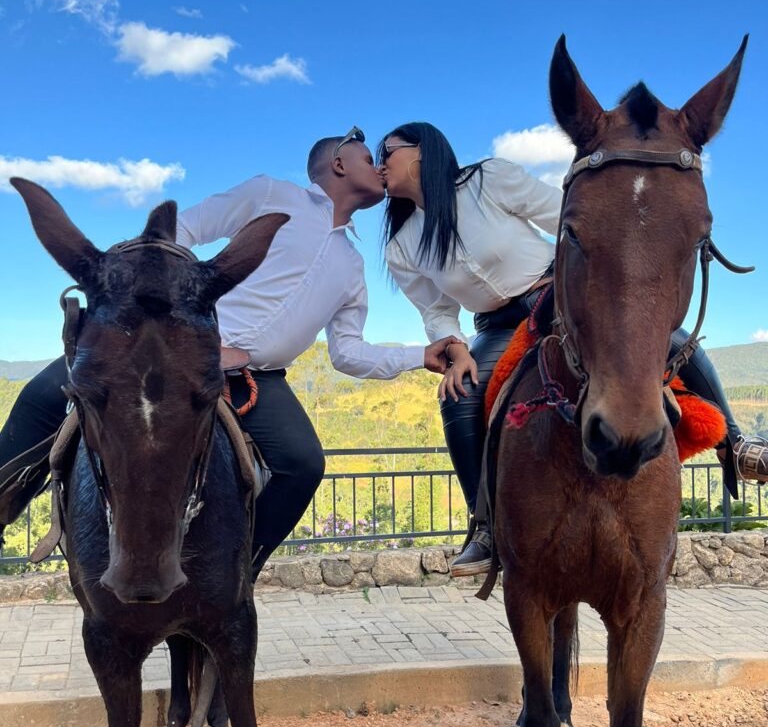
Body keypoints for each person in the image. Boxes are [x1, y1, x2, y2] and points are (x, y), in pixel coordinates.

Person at [0, 128, 458, 573]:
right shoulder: (271, 193)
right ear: (339, 163)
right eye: (367, 158)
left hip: (260, 378)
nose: (380, 167)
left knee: (303, 465)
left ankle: (240, 568)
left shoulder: (353, 266)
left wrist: (420, 355)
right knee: (46, 392)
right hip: (178, 350)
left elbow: (348, 353)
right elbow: (185, 228)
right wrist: (170, 314)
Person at [380, 121, 768, 578]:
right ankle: (485, 527)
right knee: (460, 395)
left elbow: (564, 215)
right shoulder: (401, 246)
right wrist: (456, 349)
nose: (381, 162)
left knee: (666, 340)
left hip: (557, 291)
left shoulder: (488, 179)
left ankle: (737, 444)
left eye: (387, 151)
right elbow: (437, 311)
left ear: (422, 151)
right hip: (496, 324)